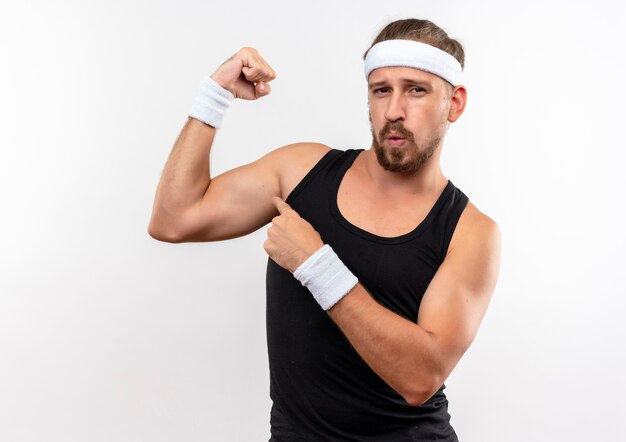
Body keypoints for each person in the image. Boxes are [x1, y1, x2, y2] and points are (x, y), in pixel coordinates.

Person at [149, 18, 501, 442]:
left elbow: (419, 377)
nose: (393, 111)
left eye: (416, 90)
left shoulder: (470, 232)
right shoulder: (301, 171)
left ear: (455, 103)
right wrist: (214, 95)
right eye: (381, 90)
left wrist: (316, 265)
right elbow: (173, 218)